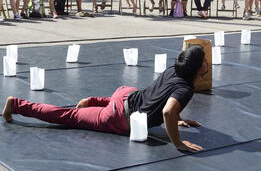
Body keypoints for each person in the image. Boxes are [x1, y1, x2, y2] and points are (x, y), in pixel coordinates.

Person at [2, 45, 207, 153]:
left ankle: (93, 101)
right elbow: (167, 111)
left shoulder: (174, 69)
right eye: (205, 60)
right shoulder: (186, 87)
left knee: (119, 101)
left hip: (125, 94)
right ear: (197, 68)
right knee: (67, 115)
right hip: (118, 116)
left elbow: (164, 98)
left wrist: (177, 119)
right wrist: (178, 142)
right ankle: (16, 104)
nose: (207, 62)